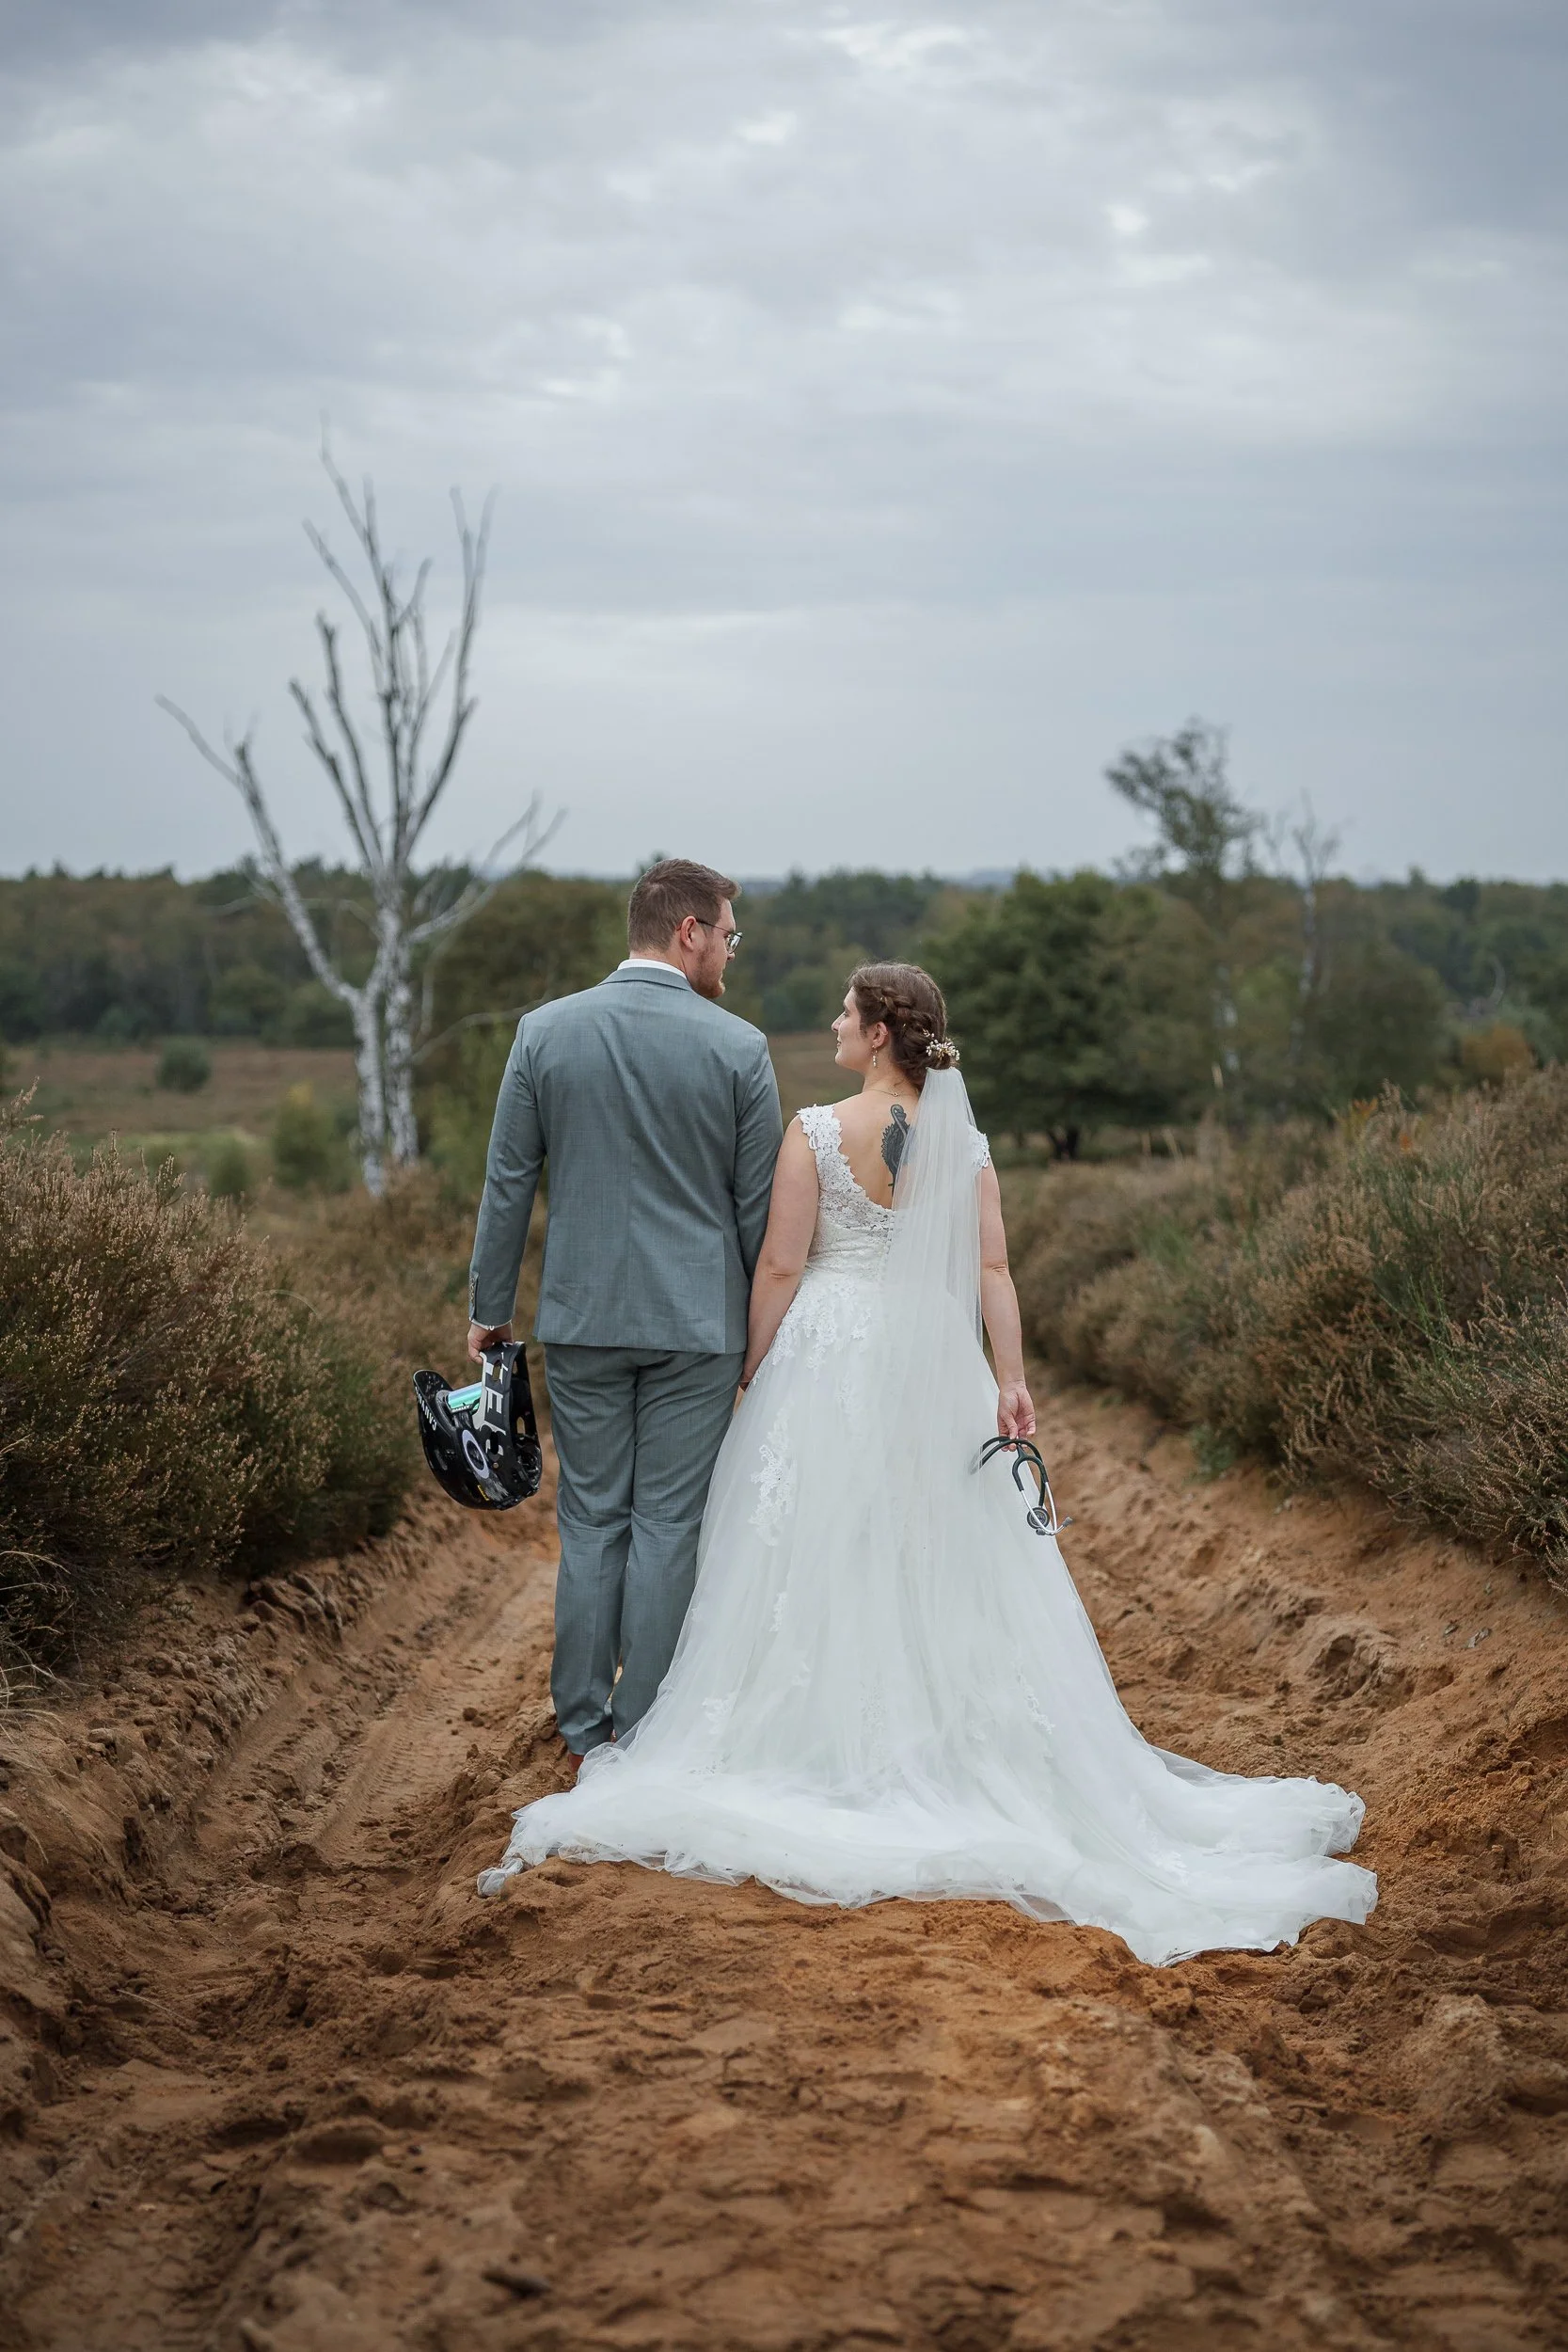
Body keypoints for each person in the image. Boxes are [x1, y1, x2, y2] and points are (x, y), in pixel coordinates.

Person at [478, 963, 1376, 1968]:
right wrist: (1011, 1379)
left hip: (825, 1349)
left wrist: (751, 1369)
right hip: (933, 1356)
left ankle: (762, 1733)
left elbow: (777, 1264)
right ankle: (932, 1735)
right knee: (925, 1543)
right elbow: (992, 1268)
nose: (830, 1024)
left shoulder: (815, 1131)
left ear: (873, 1034)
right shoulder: (965, 1142)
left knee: (809, 1542)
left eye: (842, 1013)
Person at [467, 857, 783, 1763]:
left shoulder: (543, 1033)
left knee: (592, 1520)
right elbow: (756, 1213)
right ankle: (645, 1731)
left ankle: (579, 1728)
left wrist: (491, 1308)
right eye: (726, 932)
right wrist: (764, 1340)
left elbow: (508, 1182)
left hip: (582, 1319)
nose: (731, 948)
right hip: (698, 1328)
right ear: (687, 931)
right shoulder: (739, 1048)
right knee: (669, 1525)